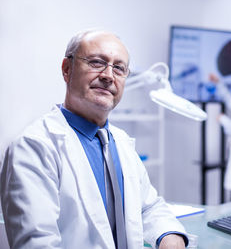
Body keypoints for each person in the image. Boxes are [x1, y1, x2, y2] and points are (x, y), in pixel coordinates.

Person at [0, 30, 188, 249]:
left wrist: (169, 236)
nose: (109, 75)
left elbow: (149, 206)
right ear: (67, 69)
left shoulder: (120, 142)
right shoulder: (34, 147)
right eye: (97, 62)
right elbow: (37, 244)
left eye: (119, 68)